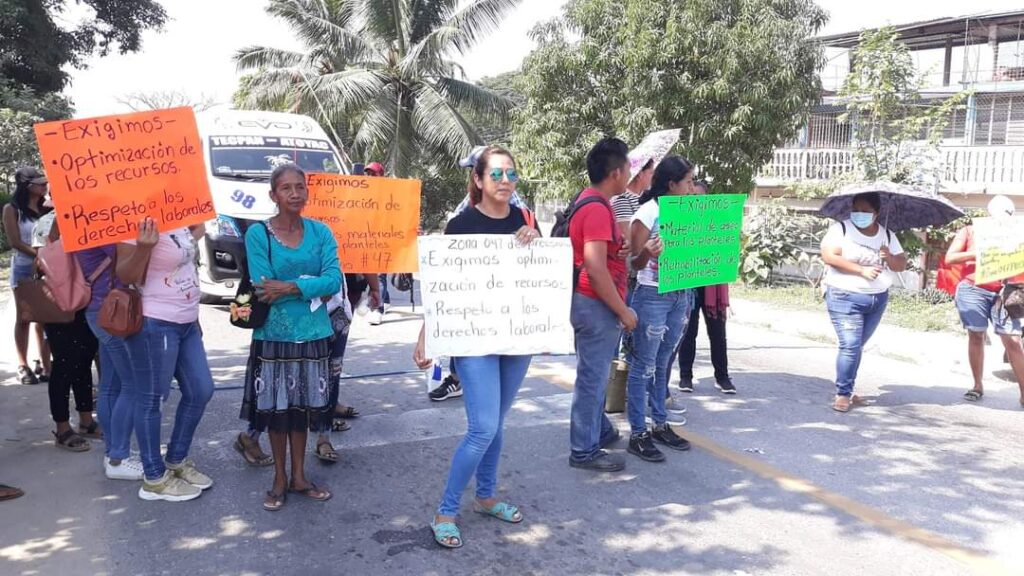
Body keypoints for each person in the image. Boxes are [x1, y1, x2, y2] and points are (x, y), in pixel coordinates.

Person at [412, 145, 540, 549]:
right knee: (483, 426)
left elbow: (540, 277)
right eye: (497, 174)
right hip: (473, 339)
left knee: (497, 424)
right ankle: (446, 510)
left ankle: (485, 496)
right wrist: (426, 334)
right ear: (479, 180)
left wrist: (535, 241)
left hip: (516, 338)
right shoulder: (460, 225)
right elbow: (443, 289)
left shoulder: (524, 219)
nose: (505, 181)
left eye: (511, 174)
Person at [240, 164, 342, 511]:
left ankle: (300, 477)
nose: (295, 193)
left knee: (302, 412)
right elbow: (261, 286)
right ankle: (279, 479)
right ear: (273, 195)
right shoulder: (258, 234)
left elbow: (333, 279)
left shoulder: (321, 232)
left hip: (314, 334)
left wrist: (291, 286)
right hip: (274, 335)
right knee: (277, 412)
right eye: (286, 188)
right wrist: (308, 286)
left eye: (300, 186)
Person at [120, 219, 215, 501]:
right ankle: (154, 477)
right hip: (155, 322)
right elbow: (126, 275)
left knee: (201, 390)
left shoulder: (176, 217)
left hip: (186, 321)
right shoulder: (132, 221)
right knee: (151, 399)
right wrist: (142, 248)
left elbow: (189, 248)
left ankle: (176, 459)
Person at [568, 138, 637, 472]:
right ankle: (583, 450)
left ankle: (601, 430)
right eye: (627, 168)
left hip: (590, 302)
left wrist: (618, 251)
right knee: (592, 380)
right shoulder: (597, 208)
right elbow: (594, 268)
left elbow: (596, 256)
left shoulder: (591, 200)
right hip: (595, 304)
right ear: (615, 173)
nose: (630, 174)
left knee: (592, 373)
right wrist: (623, 311)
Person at [623, 156, 696, 462]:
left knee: (664, 362)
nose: (692, 188)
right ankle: (638, 432)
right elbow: (633, 263)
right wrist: (647, 254)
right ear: (671, 184)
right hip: (653, 294)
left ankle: (659, 423)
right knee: (644, 365)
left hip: (682, 293)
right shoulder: (648, 213)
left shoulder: (691, 212)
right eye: (689, 182)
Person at [820, 192, 907, 412]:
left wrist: (889, 256)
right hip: (844, 296)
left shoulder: (887, 235)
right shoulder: (841, 229)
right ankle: (843, 393)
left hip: (877, 299)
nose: (860, 215)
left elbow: (901, 264)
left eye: (866, 211)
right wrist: (861, 270)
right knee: (850, 345)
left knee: (857, 346)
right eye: (856, 209)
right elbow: (830, 257)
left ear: (876, 213)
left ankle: (848, 387)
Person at [946, 195, 1024, 407]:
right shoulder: (970, 231)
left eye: (1007, 214)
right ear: (990, 214)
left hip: (1006, 292)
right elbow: (950, 258)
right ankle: (977, 385)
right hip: (973, 290)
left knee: (1013, 341)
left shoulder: (1015, 234)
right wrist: (978, 252)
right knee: (976, 335)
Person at [32, 216, 101, 452]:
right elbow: (45, 253)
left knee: (83, 360)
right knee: (64, 364)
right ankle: (62, 428)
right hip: (62, 298)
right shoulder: (55, 217)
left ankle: (86, 420)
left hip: (88, 297)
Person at [77, 243, 144, 480]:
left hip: (99, 307)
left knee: (111, 385)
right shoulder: (102, 224)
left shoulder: (80, 223)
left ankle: (113, 452)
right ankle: (118, 457)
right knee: (133, 384)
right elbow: (130, 264)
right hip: (113, 307)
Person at [671, 181, 736, 395]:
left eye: (699, 197)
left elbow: (727, 247)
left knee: (718, 332)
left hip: (712, 286)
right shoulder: (678, 220)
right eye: (691, 197)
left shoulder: (717, 220)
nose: (695, 201)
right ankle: (685, 377)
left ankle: (722, 377)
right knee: (688, 332)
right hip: (687, 283)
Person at [3, 167, 52, 385]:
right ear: (27, 186)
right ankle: (23, 365)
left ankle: (44, 363)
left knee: (45, 317)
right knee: (24, 317)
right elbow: (15, 242)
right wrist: (39, 255)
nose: (44, 186)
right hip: (24, 268)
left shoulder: (47, 207)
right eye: (40, 183)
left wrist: (47, 258)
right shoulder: (12, 210)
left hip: (48, 268)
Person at [364, 161, 391, 326]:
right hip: (364, 239)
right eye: (368, 174)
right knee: (371, 274)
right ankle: (385, 299)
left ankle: (377, 309)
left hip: (384, 239)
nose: (370, 177)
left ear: (381, 176)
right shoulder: (360, 193)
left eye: (373, 174)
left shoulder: (390, 194)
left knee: (379, 274)